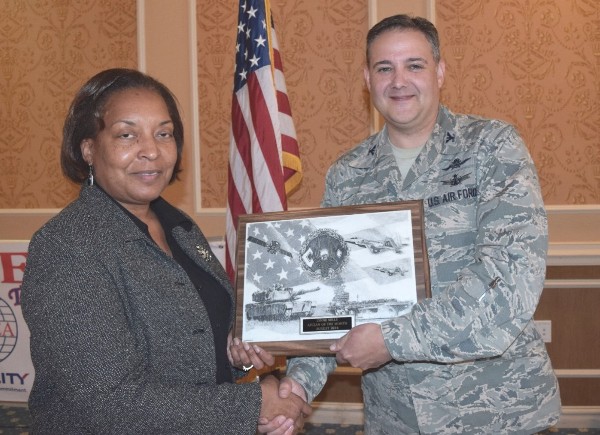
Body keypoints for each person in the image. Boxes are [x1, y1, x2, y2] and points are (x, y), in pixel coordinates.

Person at [262, 14, 561, 434]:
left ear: (440, 71)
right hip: (396, 416)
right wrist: (297, 387)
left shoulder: (491, 147)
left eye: (414, 65)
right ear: (367, 79)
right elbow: (333, 300)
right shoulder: (347, 175)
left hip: (496, 411)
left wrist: (391, 340)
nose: (399, 81)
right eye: (384, 68)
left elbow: (509, 281)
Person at [21, 68, 310, 434]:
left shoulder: (182, 229)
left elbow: (193, 342)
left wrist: (239, 354)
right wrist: (255, 404)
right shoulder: (68, 247)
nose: (152, 151)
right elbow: (112, 402)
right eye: (127, 135)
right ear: (88, 149)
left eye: (164, 134)